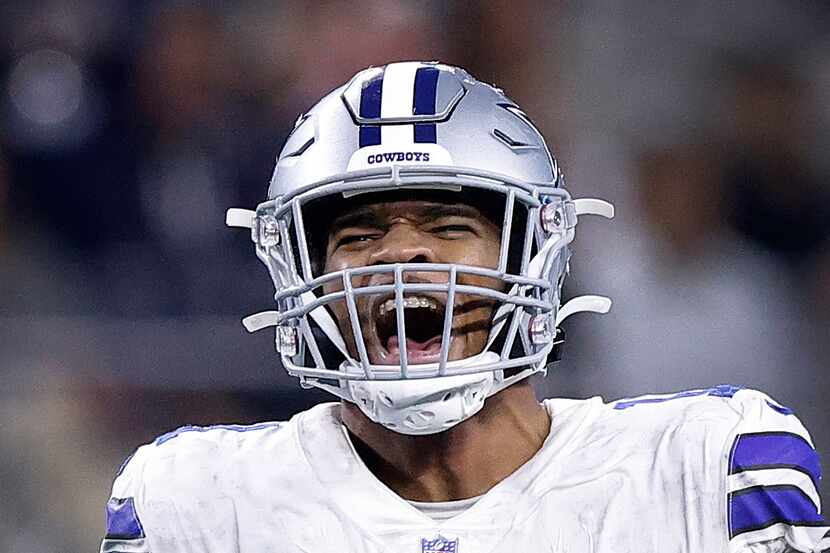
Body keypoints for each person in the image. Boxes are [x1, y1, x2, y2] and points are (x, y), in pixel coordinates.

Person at [100, 62, 829, 553]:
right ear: (300, 269)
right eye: (358, 232)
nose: (399, 254)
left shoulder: (705, 468)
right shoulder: (197, 503)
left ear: (533, 256)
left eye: (450, 227)